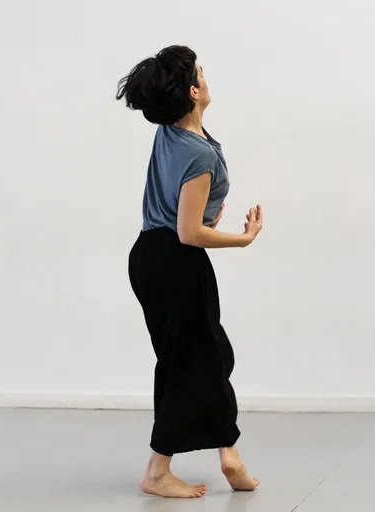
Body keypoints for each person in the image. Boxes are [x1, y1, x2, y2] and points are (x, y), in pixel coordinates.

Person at [116, 46, 263, 498]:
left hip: (155, 257)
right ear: (194, 92)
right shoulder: (198, 154)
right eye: (201, 73)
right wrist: (244, 237)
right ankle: (161, 470)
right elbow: (188, 233)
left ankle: (229, 454)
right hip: (173, 261)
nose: (206, 77)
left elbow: (188, 216)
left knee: (210, 355)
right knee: (189, 363)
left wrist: (202, 219)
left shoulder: (173, 133)